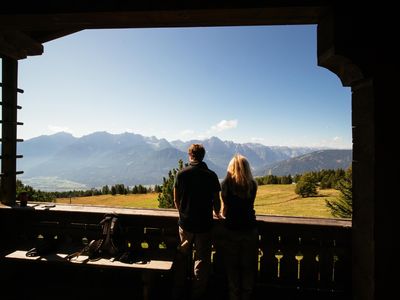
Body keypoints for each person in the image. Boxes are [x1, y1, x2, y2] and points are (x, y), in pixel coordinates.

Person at [173, 143, 222, 300]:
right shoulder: (211, 175)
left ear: (190, 155)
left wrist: (182, 214)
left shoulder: (181, 174)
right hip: (204, 226)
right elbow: (216, 200)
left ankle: (178, 291)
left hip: (186, 225)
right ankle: (197, 294)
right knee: (201, 261)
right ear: (203, 156)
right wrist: (217, 213)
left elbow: (176, 199)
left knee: (182, 258)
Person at [220, 154, 258, 300]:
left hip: (232, 230)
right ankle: (246, 295)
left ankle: (233, 295)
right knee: (248, 266)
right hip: (249, 229)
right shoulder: (252, 185)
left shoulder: (226, 185)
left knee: (232, 267)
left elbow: (225, 211)